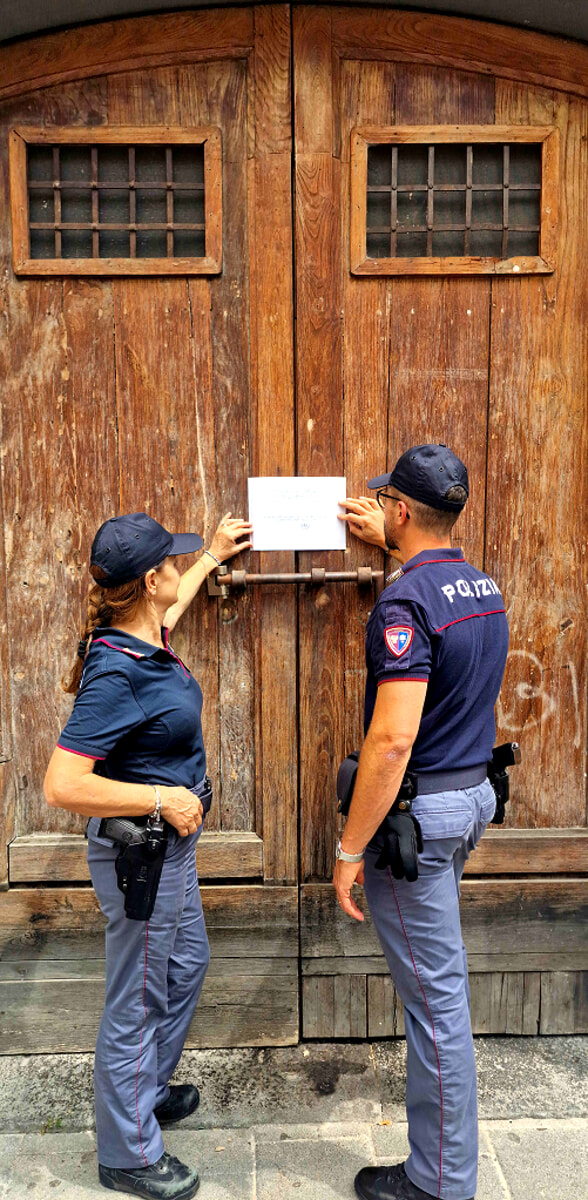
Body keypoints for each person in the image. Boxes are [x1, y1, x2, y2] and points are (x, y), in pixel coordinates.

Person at [44, 509, 252, 1200]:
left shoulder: (142, 635)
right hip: (143, 854)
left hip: (173, 852)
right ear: (148, 578)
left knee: (186, 963)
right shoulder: (116, 671)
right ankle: (126, 1151)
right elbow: (64, 783)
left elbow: (173, 609)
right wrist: (161, 798)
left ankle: (142, 1093)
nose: (178, 571)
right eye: (175, 562)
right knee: (135, 995)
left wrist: (213, 557)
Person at [334, 444, 509, 1200]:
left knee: (438, 1006)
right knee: (442, 993)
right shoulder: (481, 585)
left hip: (418, 822)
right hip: (468, 799)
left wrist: (350, 846)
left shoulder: (404, 604)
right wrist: (396, 555)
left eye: (387, 506)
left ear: (400, 510)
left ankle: (440, 1182)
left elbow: (395, 737)